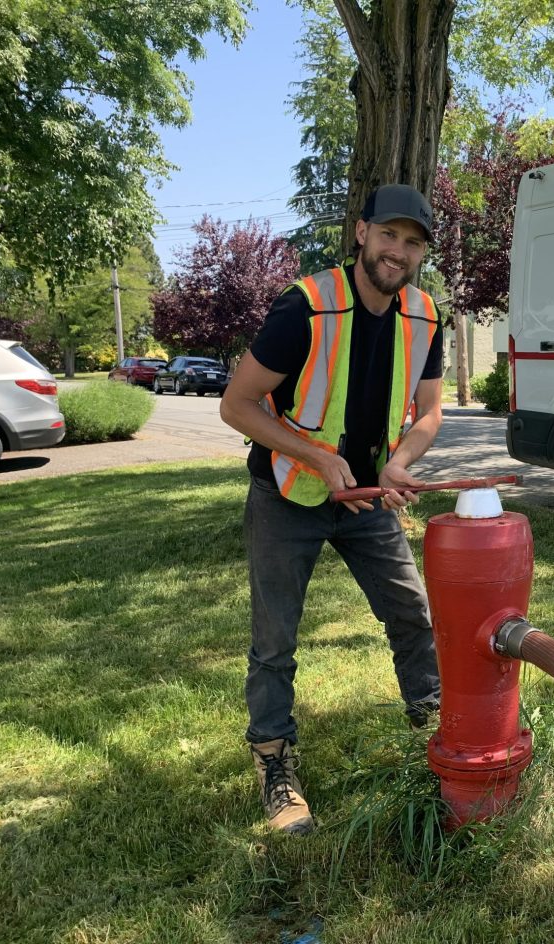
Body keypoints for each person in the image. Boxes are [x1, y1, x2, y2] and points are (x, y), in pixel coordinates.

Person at [220, 184, 444, 835]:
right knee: (275, 640)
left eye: (412, 242)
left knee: (411, 610)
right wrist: (314, 455)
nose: (397, 252)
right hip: (288, 494)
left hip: (368, 497)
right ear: (361, 232)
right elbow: (237, 405)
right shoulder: (306, 308)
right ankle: (274, 766)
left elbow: (429, 413)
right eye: (389, 236)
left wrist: (402, 461)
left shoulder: (426, 316)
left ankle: (432, 727)